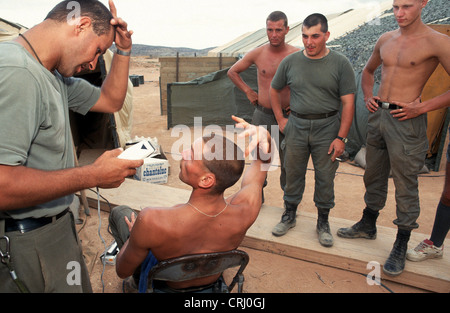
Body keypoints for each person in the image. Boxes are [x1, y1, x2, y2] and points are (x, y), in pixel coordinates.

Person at [0, 0, 143, 293]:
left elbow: (111, 101)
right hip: (27, 240)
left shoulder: (51, 74)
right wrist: (93, 175)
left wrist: (123, 50)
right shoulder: (19, 72)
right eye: (98, 50)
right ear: (81, 25)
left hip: (55, 229)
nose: (93, 63)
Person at [337, 0, 450, 276]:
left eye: (407, 6)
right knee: (373, 175)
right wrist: (367, 95)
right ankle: (368, 223)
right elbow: (367, 71)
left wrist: (421, 107)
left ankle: (401, 242)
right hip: (379, 117)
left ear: (423, 3)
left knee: (405, 182)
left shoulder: (437, 42)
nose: (399, 13)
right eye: (396, 6)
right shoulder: (385, 38)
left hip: (407, 119)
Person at [110, 116, 273, 293]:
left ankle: (136, 283)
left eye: (191, 155)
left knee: (120, 213)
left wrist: (135, 235)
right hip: (208, 280)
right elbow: (260, 168)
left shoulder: (151, 220)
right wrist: (267, 138)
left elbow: (122, 270)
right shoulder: (246, 211)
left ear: (206, 180)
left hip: (166, 287)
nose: (183, 153)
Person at [270, 13, 356, 247]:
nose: (309, 42)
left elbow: (348, 103)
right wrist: (280, 118)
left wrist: (341, 137)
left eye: (315, 36)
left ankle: (323, 222)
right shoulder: (291, 62)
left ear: (327, 35)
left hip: (327, 127)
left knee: (325, 176)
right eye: (305, 36)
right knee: (292, 172)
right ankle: (289, 215)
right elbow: (274, 89)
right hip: (296, 125)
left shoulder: (340, 64)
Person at [227, 11, 300, 197]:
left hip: (287, 117)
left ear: (287, 30)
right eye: (270, 30)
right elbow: (232, 72)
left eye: (278, 30)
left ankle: (289, 207)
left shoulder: (297, 55)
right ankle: (256, 199)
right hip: (263, 115)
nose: (274, 34)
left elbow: (309, 82)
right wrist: (248, 91)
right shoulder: (258, 53)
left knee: (289, 163)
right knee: (260, 160)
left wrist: (299, 102)